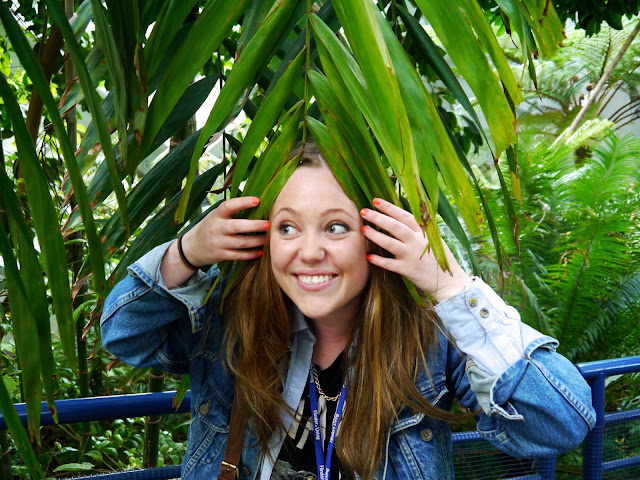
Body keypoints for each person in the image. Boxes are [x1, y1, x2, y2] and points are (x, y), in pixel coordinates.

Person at [101, 143, 596, 480]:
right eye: (288, 228)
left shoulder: (427, 343)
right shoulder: (235, 325)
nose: (309, 252)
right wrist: (185, 253)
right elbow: (124, 334)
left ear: (377, 236)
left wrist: (450, 287)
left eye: (335, 227)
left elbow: (560, 424)